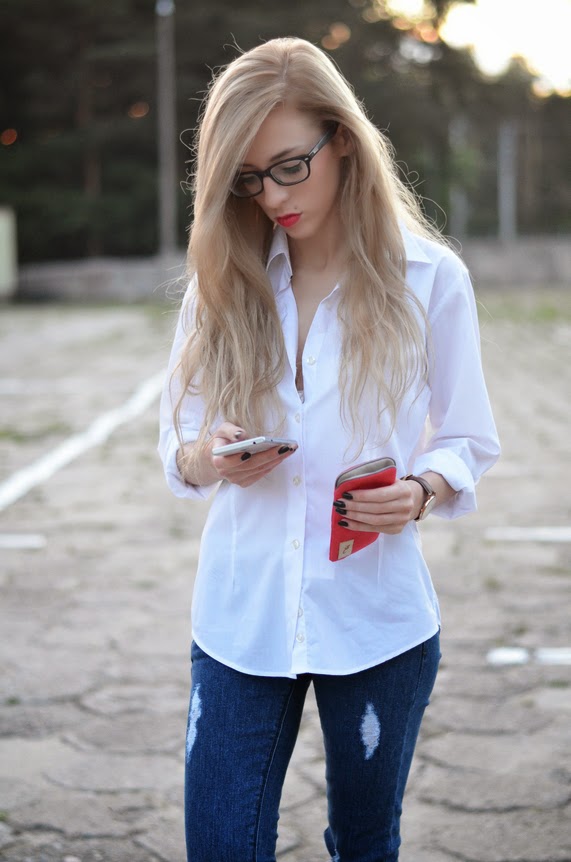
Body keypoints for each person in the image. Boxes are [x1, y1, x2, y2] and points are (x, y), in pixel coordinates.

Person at [158, 36, 499, 862]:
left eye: (288, 166)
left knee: (362, 842)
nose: (270, 195)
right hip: (242, 622)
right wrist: (212, 455)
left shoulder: (429, 279)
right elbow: (176, 441)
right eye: (246, 177)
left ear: (341, 137)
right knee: (220, 845)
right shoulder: (222, 281)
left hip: (376, 622)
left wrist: (420, 490)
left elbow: (467, 439)